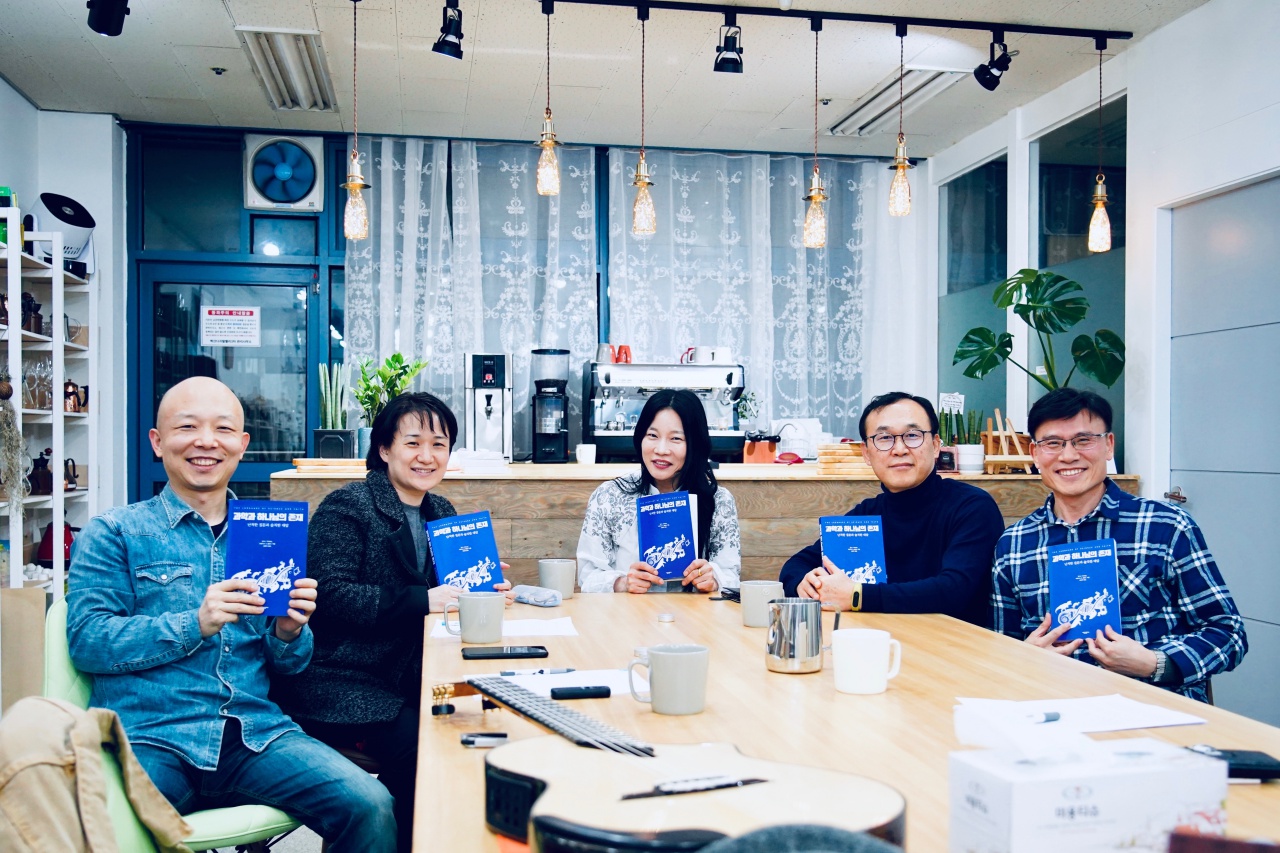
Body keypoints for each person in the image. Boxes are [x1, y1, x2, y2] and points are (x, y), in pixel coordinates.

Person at [66, 377, 395, 852]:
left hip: (252, 734)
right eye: (187, 427)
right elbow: (88, 639)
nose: (206, 441)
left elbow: (288, 665)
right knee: (104, 829)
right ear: (157, 442)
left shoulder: (267, 534)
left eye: (222, 429)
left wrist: (289, 632)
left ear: (241, 445)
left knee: (371, 805)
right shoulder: (115, 532)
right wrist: (194, 623)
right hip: (150, 737)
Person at [271, 391, 512, 853]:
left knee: (487, 721)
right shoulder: (347, 507)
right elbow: (330, 595)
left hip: (413, 677)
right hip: (342, 680)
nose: (427, 456)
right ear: (384, 449)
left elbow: (450, 595)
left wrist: (484, 589)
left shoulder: (441, 511)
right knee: (424, 745)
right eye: (413, 443)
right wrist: (425, 599)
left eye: (439, 445)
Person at [992, 388, 1247, 702]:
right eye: (1053, 443)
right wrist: (1024, 658)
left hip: (1155, 707)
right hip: (1053, 708)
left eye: (1083, 440)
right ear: (1034, 452)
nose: (1068, 455)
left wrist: (1154, 663)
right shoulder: (1014, 544)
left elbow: (1228, 632)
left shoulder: (1166, 526)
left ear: (1109, 445)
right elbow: (1001, 647)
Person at [779, 391, 1005, 625]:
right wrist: (805, 583)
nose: (899, 449)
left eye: (912, 435)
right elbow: (796, 565)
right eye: (884, 438)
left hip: (953, 642)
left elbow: (953, 590)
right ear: (866, 453)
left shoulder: (972, 507)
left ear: (936, 445)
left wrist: (857, 596)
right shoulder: (867, 513)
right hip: (879, 640)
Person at [577, 389, 741, 593]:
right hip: (628, 611)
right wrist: (622, 582)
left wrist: (714, 579)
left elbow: (731, 576)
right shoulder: (609, 496)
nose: (661, 450)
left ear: (695, 444)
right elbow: (587, 576)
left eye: (676, 439)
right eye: (652, 435)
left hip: (694, 612)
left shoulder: (719, 500)